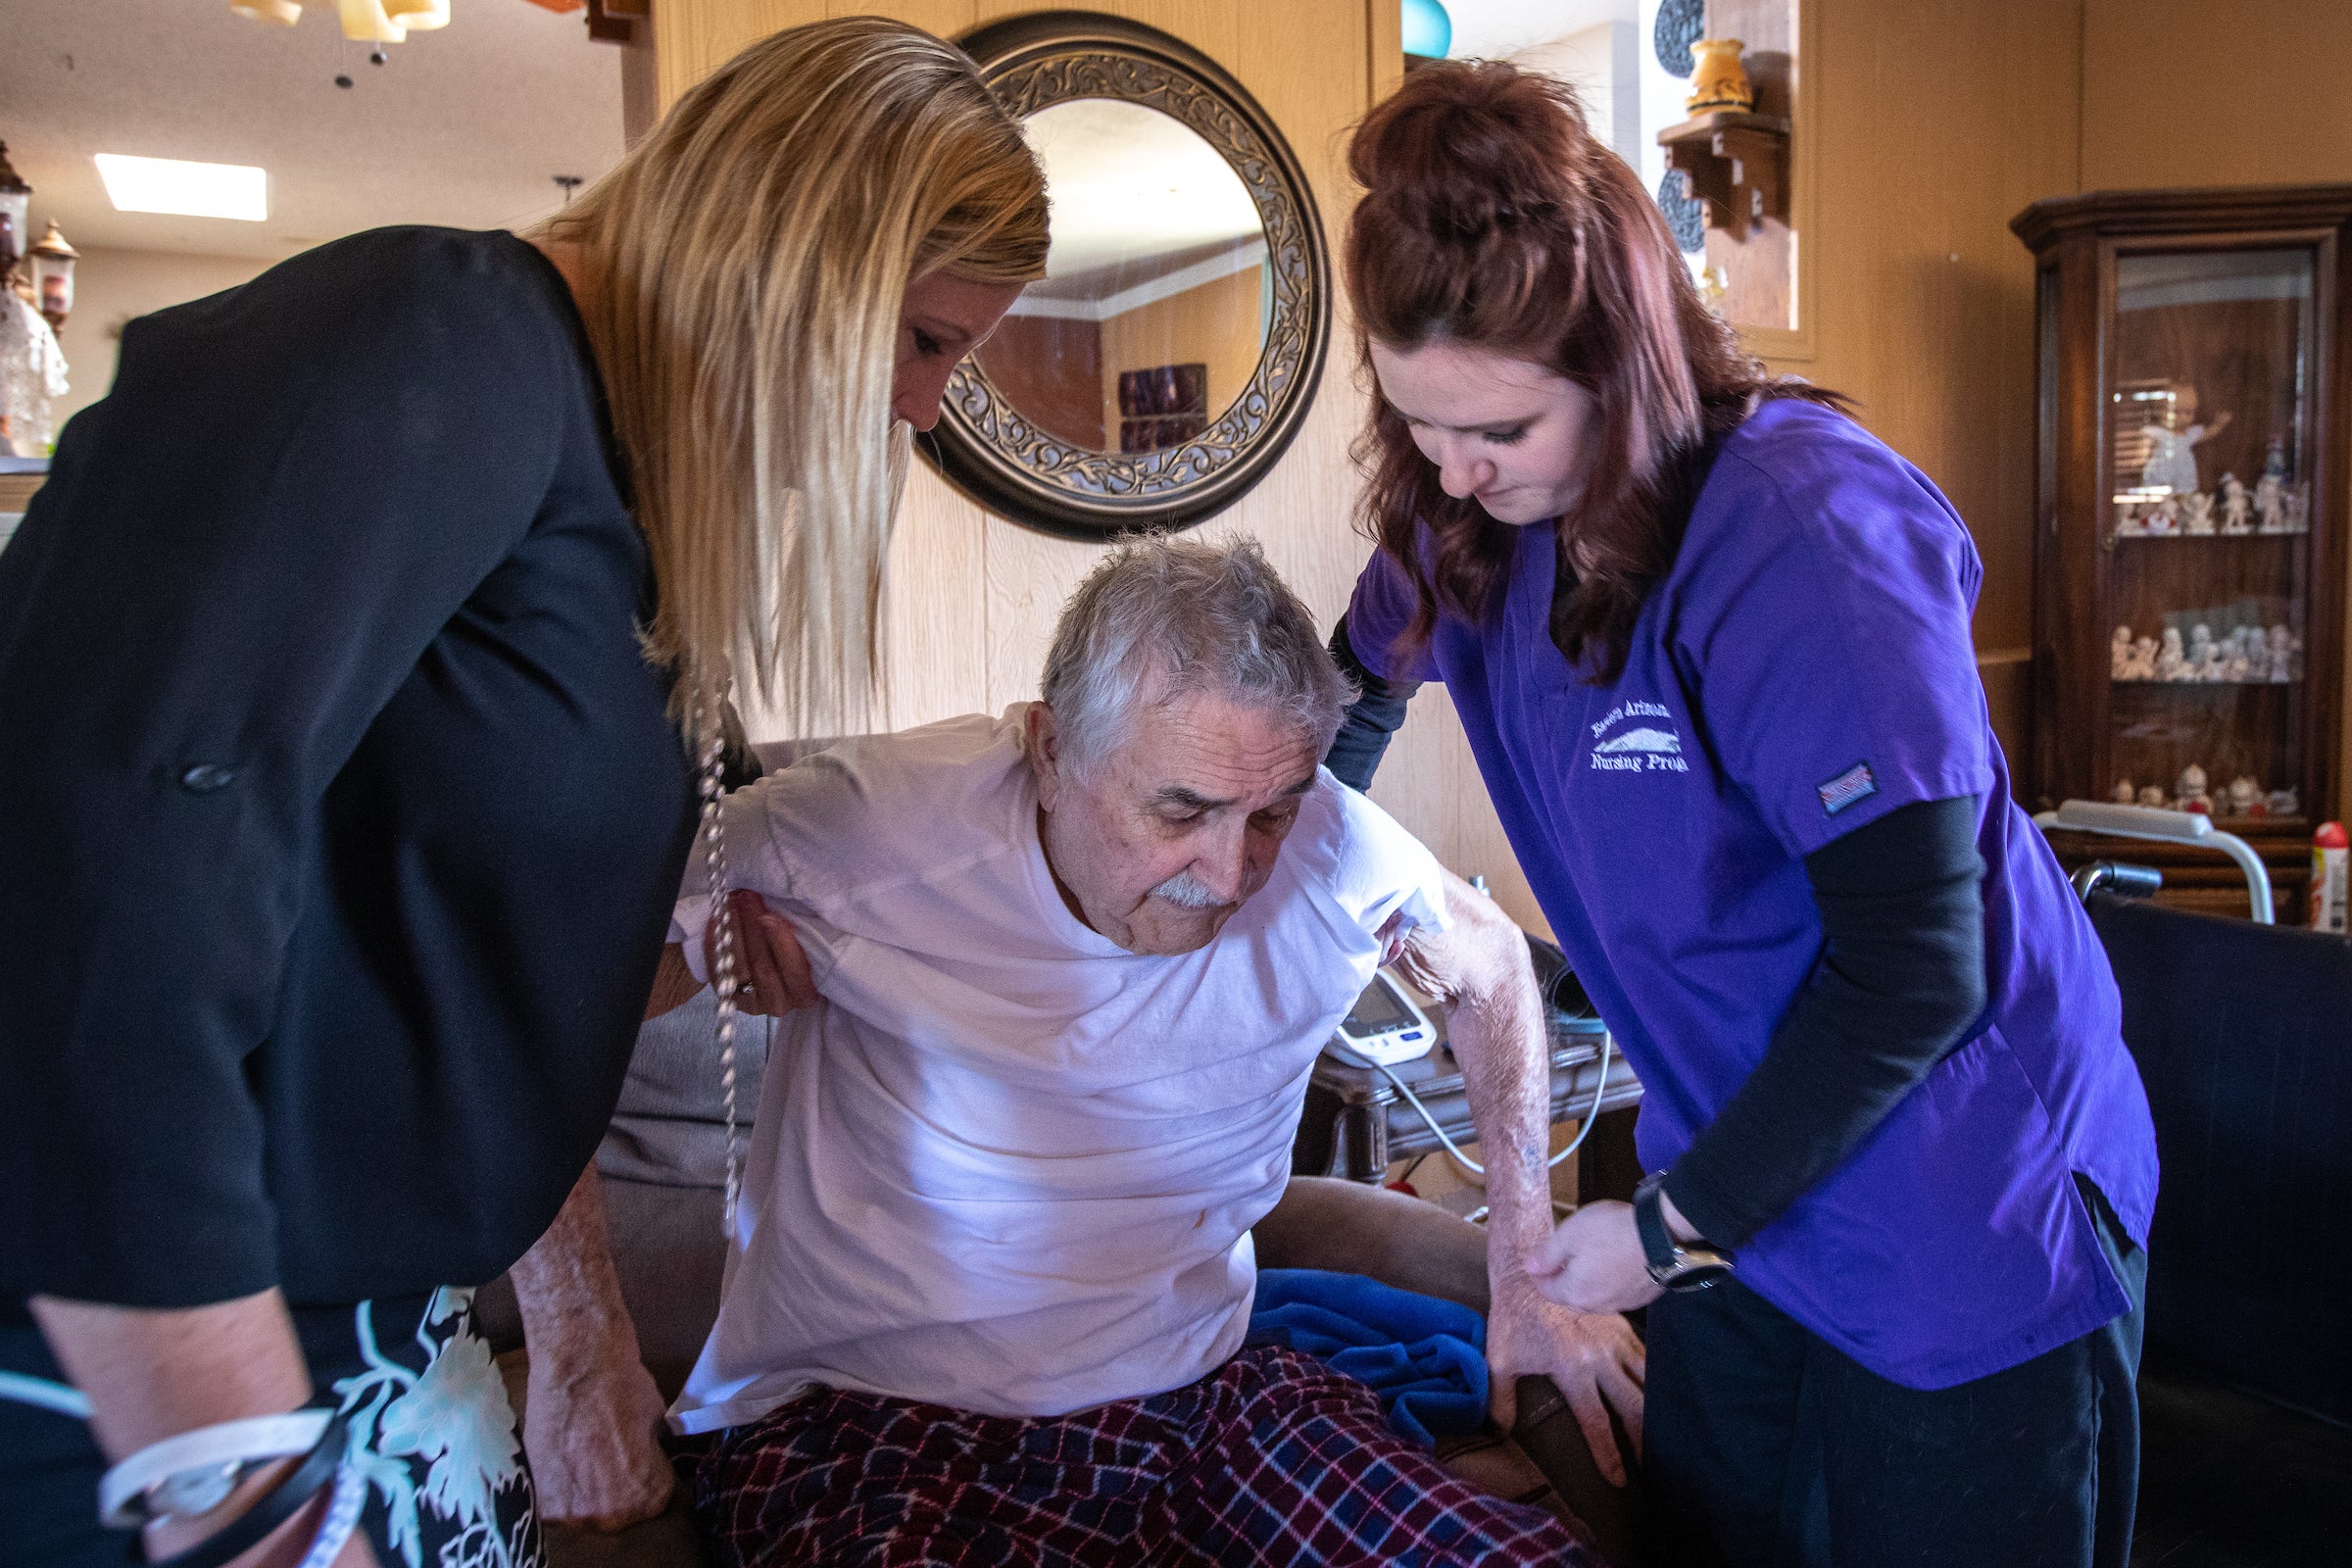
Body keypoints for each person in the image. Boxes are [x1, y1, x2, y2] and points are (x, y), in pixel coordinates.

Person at [0, 20, 1047, 1568]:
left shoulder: (620, 496)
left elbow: (414, 942)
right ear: (793, 268)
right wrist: (228, 1482)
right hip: (124, 1374)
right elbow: (95, 848)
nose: (924, 412)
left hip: (377, 1345)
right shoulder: (440, 334)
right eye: (926, 339)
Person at [1325, 62, 2158, 1568]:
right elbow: (1348, 698)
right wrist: (1285, 874)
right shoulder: (1461, 515)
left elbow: (1919, 970)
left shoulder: (1799, 531)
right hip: (1731, 1178)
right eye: (1417, 419)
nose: (1454, 467)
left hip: (1951, 1190)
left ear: (1624, 371)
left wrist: (1658, 1231)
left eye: (1500, 427)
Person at [625, 537, 1643, 1567]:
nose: (1231, 870)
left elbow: (1493, 968)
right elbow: (560, 974)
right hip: (862, 1416)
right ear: (1050, 749)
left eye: (1270, 814)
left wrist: (1524, 1270)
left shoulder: (1335, 850)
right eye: (1182, 811)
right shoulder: (869, 820)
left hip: (1194, 1399)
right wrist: (706, 959)